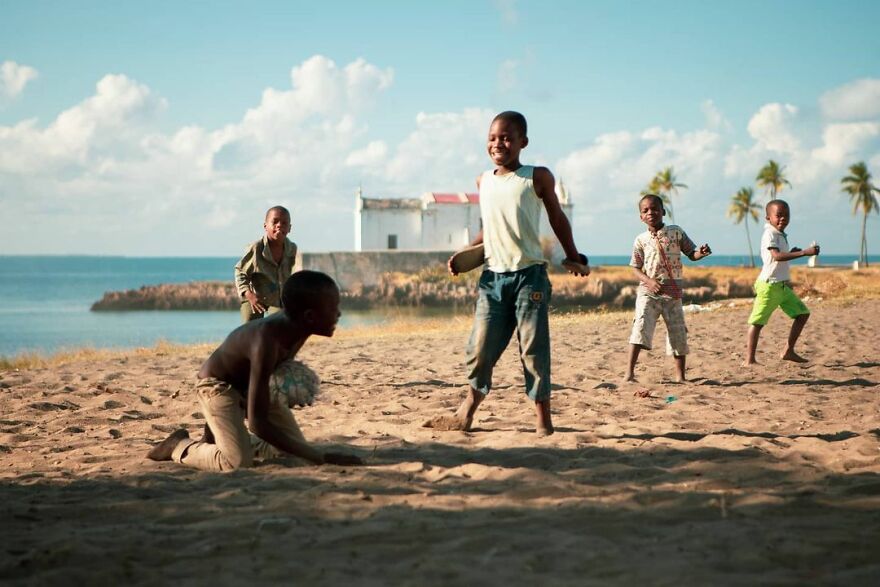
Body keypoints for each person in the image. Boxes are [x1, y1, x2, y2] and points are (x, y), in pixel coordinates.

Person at [426, 111, 589, 437]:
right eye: (492, 137)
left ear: (522, 142)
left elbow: (557, 217)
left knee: (533, 348)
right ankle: (468, 407)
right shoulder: (482, 181)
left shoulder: (537, 176)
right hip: (493, 279)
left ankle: (543, 419)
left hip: (530, 277)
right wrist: (464, 256)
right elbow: (490, 227)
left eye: (506, 137)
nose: (498, 143)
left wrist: (573, 256)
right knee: (480, 348)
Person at [147, 271, 362, 471]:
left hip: (250, 385)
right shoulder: (266, 340)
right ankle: (179, 445)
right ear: (309, 316)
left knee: (293, 449)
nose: (339, 313)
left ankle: (230, 439)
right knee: (236, 462)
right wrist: (321, 458)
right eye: (333, 307)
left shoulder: (299, 327)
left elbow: (258, 387)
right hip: (217, 386)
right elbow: (258, 424)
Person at [625, 194, 712, 383]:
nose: (651, 213)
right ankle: (629, 374)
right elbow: (635, 268)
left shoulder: (675, 232)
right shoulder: (640, 240)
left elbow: (691, 253)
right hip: (649, 293)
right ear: (641, 217)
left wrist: (701, 253)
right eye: (645, 210)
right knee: (640, 327)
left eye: (655, 209)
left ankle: (680, 377)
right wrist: (649, 281)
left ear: (663, 212)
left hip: (673, 295)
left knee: (678, 333)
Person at [744, 199, 819, 365]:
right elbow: (776, 256)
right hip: (769, 285)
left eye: (786, 215)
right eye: (778, 215)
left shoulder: (780, 235)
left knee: (802, 314)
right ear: (768, 218)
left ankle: (788, 350)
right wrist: (805, 253)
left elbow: (781, 257)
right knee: (757, 323)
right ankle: (749, 360)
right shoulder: (770, 234)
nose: (783, 218)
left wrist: (793, 252)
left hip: (782, 286)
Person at [235, 206, 298, 323]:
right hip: (255, 296)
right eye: (275, 222)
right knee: (250, 329)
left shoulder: (292, 249)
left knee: (280, 324)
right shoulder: (256, 248)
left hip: (277, 298)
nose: (279, 225)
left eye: (284, 223)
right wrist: (249, 295)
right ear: (265, 226)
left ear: (289, 228)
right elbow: (240, 272)